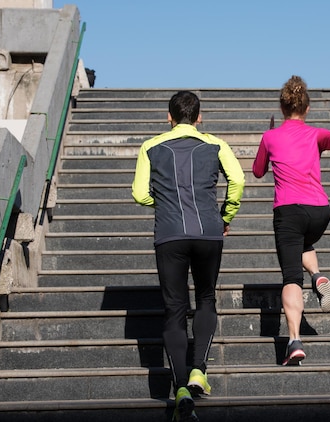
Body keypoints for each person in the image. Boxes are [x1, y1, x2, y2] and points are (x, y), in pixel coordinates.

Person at [132, 91, 245, 421]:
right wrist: (226, 215)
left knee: (174, 309)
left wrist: (165, 204)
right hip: (209, 231)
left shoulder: (151, 146)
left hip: (170, 234)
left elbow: (139, 193)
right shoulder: (216, 144)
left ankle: (180, 388)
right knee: (207, 298)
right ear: (199, 117)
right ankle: (199, 370)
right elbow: (237, 180)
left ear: (168, 117)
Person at [252, 75, 330, 366]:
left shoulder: (270, 137)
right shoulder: (315, 134)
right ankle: (318, 276)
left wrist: (268, 142)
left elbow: (257, 172)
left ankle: (294, 340)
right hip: (320, 211)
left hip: (289, 212)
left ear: (282, 109)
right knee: (302, 242)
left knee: (291, 277)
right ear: (306, 109)